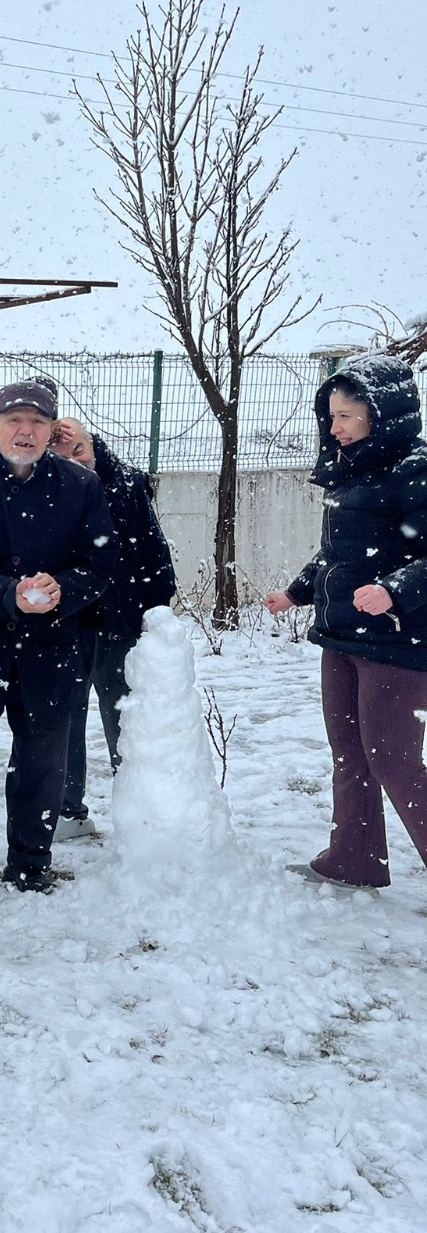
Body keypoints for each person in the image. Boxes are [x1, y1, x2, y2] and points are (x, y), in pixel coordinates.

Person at [0, 379, 118, 896]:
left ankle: (31, 859)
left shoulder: (81, 486)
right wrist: (7, 593)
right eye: (14, 420)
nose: (25, 430)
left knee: (42, 759)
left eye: (37, 421)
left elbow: (100, 561)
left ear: (50, 430)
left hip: (51, 647)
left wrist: (64, 588)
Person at [263, 353, 427, 890]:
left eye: (346, 416)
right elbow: (340, 554)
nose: (334, 427)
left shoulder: (416, 471)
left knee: (394, 760)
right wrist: (296, 592)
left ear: (382, 415)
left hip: (398, 642)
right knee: (350, 753)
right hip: (341, 635)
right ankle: (353, 859)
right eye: (331, 416)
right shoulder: (354, 469)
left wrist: (394, 591)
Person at [49, 416, 177, 838]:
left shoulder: (123, 484)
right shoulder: (44, 489)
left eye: (80, 450)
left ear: (95, 445)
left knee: (124, 717)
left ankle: (136, 809)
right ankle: (67, 811)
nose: (75, 462)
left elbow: (152, 547)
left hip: (118, 621)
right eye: (63, 457)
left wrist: (157, 608)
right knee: (66, 717)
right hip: (64, 623)